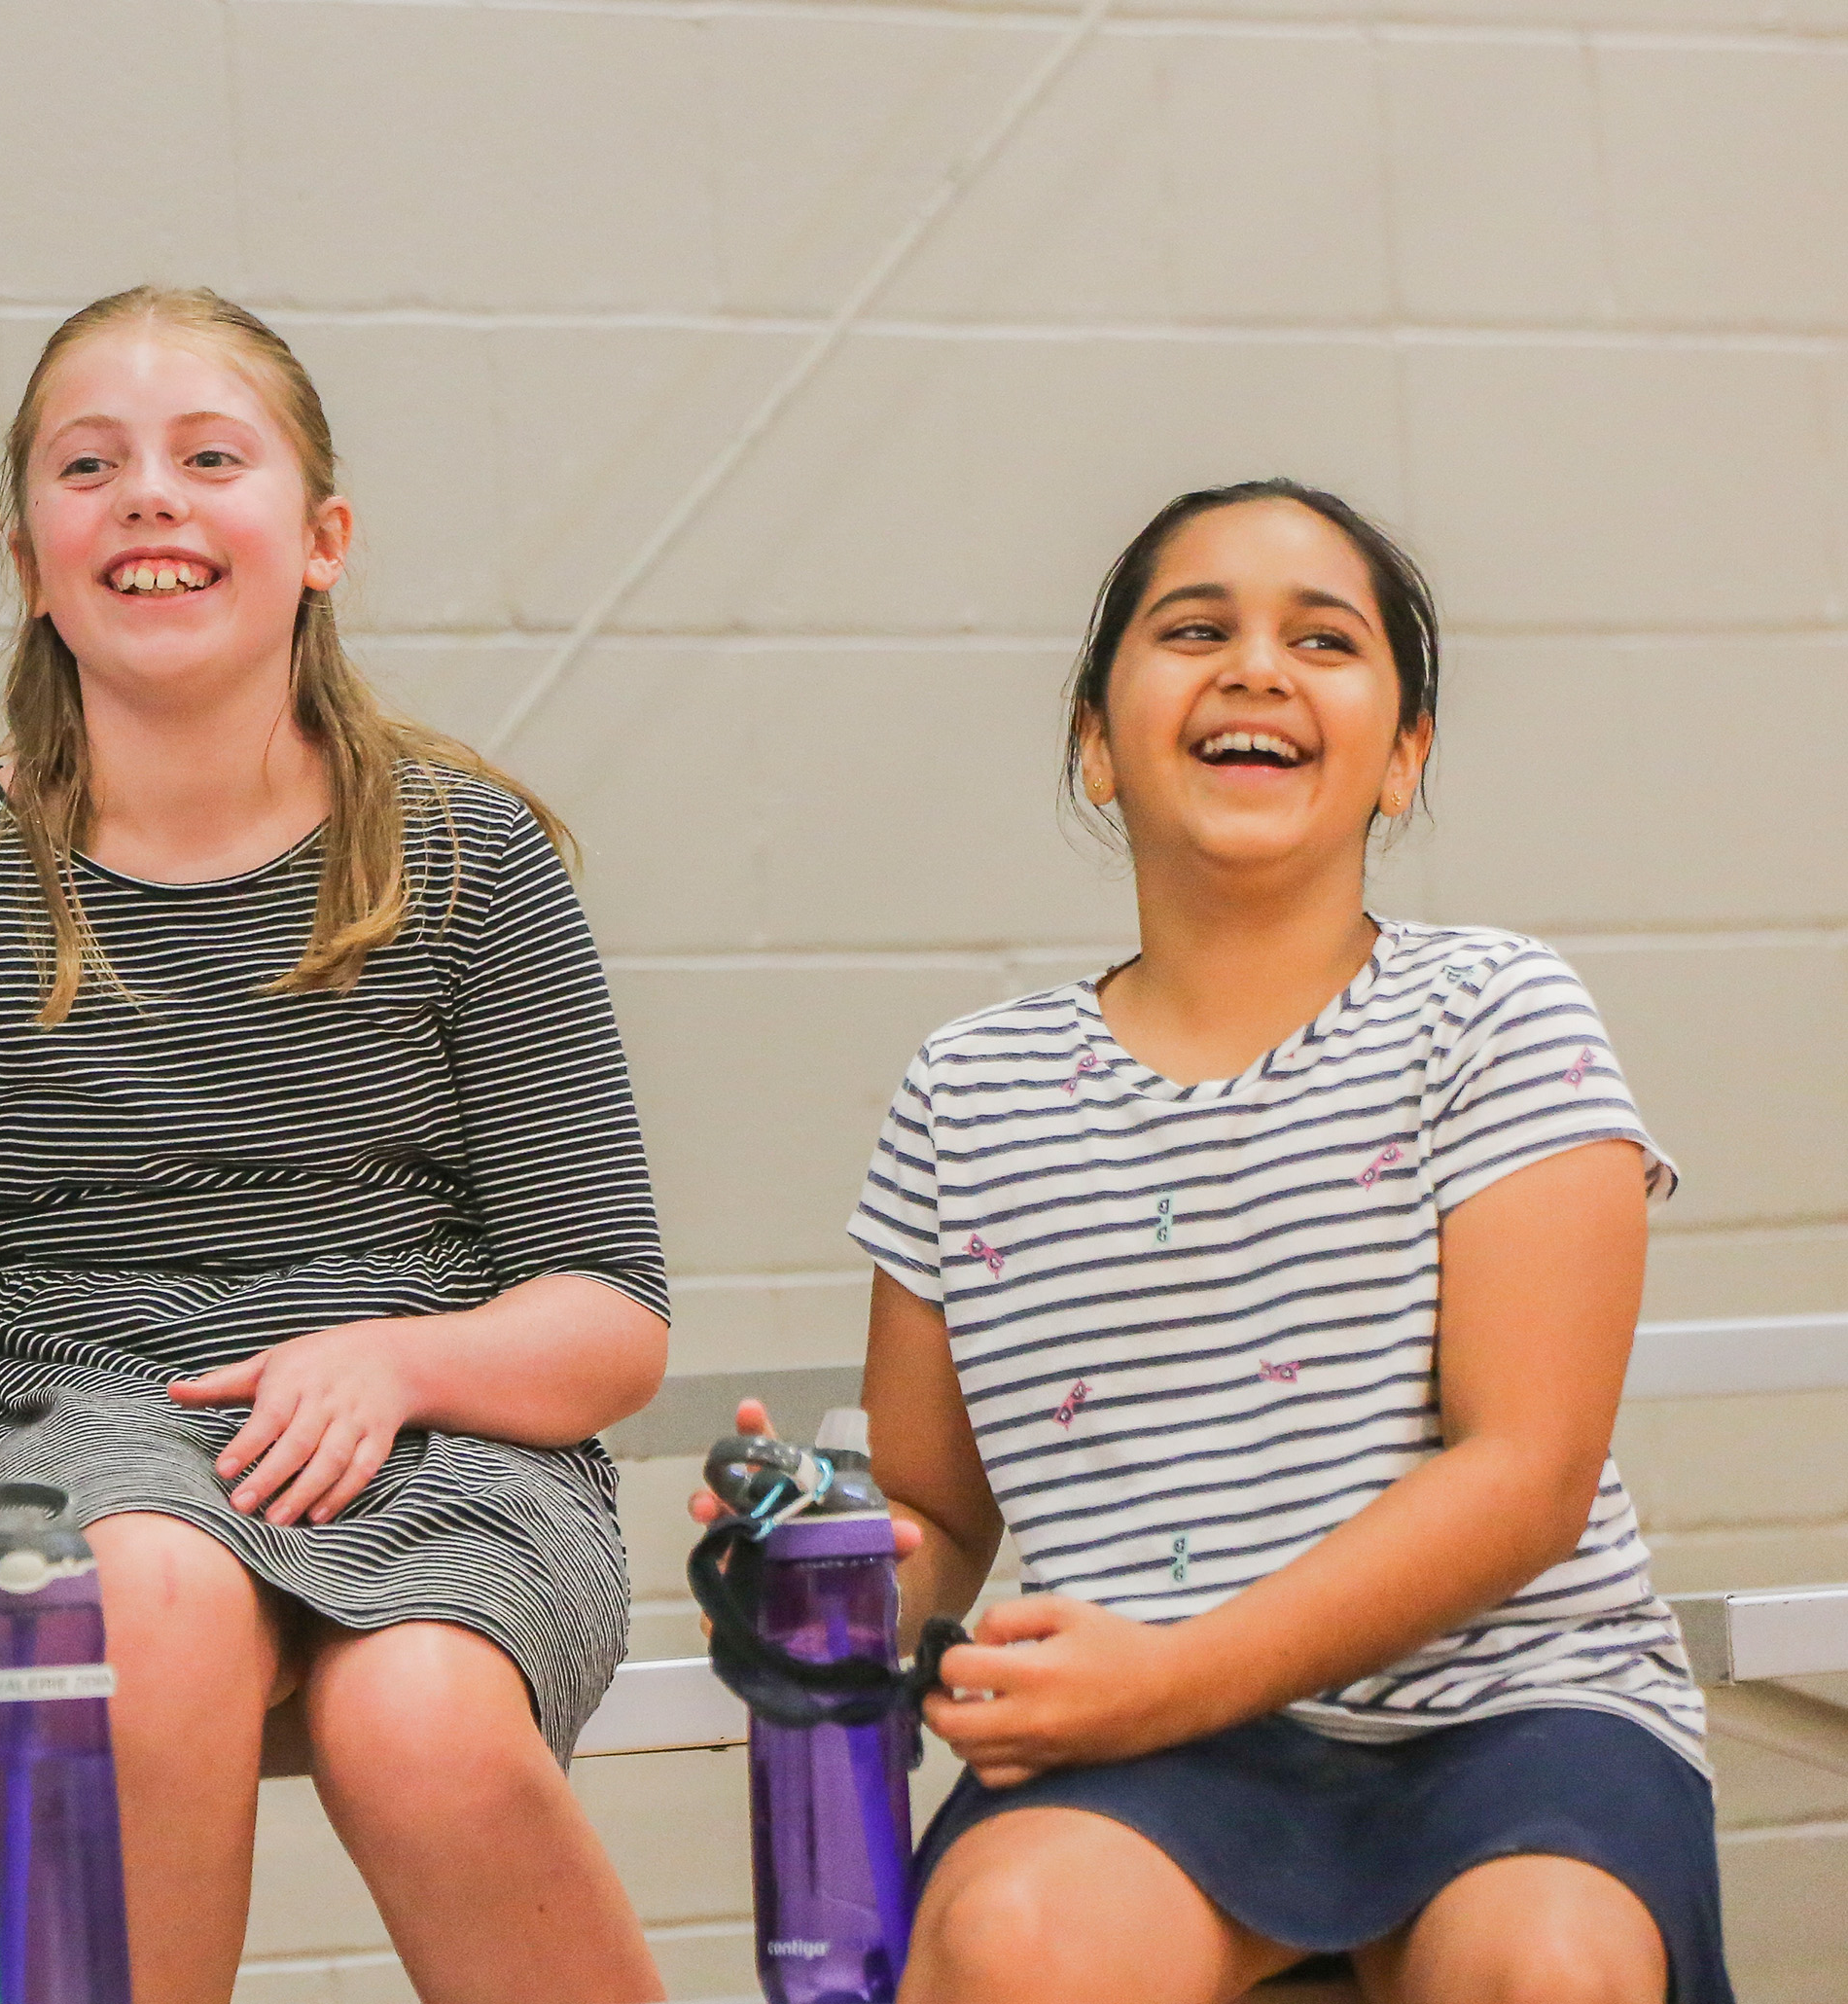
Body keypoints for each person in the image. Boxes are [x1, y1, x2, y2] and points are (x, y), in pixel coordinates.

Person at [0, 288, 673, 2004]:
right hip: (92, 1438)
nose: (148, 495)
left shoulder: (462, 860)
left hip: (437, 1438)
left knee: (421, 1726)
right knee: (146, 1602)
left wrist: (394, 1362)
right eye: (91, 467)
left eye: (207, 456)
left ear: (320, 539)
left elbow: (608, 1318)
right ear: (29, 555)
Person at [718, 480, 1724, 2004]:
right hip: (1141, 1756)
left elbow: (1524, 1477)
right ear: (1091, 738)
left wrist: (1167, 1678)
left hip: (1510, 1714)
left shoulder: (1495, 1012)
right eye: (1195, 629)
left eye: (1321, 640)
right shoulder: (963, 1090)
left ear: (1402, 759)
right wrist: (820, 1569)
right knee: (1011, 1944)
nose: (1254, 666)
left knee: (1547, 1969)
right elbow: (933, 1506)